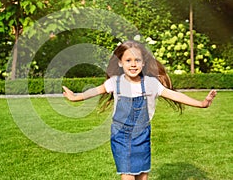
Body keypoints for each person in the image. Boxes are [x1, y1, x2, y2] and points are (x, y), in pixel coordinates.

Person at [62, 40, 217, 180]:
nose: (133, 64)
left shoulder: (151, 84)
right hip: (120, 136)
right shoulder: (114, 83)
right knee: (127, 175)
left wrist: (201, 103)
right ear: (120, 63)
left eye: (137, 60)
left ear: (143, 63)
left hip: (142, 135)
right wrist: (75, 97)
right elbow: (94, 91)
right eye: (128, 60)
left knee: (142, 174)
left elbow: (174, 95)